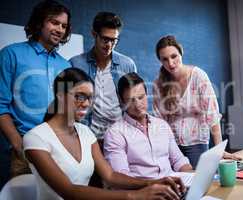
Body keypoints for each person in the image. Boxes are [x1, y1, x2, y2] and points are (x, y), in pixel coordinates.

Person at [23, 68, 185, 200]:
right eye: (80, 96)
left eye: (90, 98)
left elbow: (111, 176)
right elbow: (69, 191)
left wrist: (154, 183)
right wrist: (136, 195)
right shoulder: (36, 138)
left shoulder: (86, 133)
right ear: (60, 95)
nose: (86, 103)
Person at [0, 0, 71, 188]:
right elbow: (0, 104)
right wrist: (18, 143)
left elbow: (68, 110)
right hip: (25, 148)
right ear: (40, 22)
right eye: (54, 22)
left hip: (59, 150)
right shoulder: (11, 54)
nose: (60, 29)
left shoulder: (66, 65)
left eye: (64, 26)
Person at [152, 35, 241, 169]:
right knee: (176, 185)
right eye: (165, 59)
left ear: (181, 54)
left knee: (198, 183)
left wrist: (219, 150)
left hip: (196, 144)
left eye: (174, 56)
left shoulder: (198, 76)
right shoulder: (158, 84)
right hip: (171, 145)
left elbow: (212, 114)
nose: (170, 63)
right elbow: (159, 120)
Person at [104, 72, 193, 180]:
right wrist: (153, 187)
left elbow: (178, 160)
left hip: (174, 188)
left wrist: (192, 177)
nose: (137, 105)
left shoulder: (162, 125)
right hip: (144, 192)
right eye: (131, 100)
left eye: (141, 97)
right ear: (121, 102)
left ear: (146, 95)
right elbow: (122, 176)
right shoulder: (115, 133)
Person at [70, 12, 137, 142]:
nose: (109, 45)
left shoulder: (127, 65)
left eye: (114, 40)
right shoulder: (75, 64)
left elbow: (133, 103)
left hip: (120, 138)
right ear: (94, 34)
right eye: (105, 39)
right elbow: (69, 104)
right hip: (87, 137)